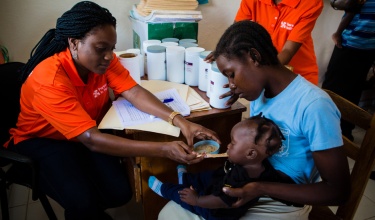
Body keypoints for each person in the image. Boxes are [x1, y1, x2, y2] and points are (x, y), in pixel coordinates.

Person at [2, 2, 219, 220]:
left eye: (111, 48)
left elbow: (133, 92)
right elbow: (92, 139)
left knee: (119, 191)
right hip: (42, 139)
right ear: (75, 43)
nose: (109, 56)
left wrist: (181, 121)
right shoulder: (50, 80)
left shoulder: (102, 62)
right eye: (101, 48)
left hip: (82, 134)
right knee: (82, 202)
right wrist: (164, 149)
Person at [159, 20, 350, 220]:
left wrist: (259, 188)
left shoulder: (314, 106)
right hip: (250, 183)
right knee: (168, 213)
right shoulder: (261, 92)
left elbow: (338, 192)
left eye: (232, 75)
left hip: (284, 202)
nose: (231, 85)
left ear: (254, 57)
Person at [149, 113, 302, 220]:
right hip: (220, 180)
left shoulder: (238, 180)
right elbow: (283, 187)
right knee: (207, 175)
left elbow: (220, 200)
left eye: (233, 143)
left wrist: (197, 200)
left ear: (250, 154)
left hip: (216, 211)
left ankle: (165, 190)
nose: (228, 145)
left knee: (184, 196)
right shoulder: (265, 168)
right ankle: (186, 178)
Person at [206, 0, 323, 85]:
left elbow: (288, 51)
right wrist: (224, 51)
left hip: (298, 76)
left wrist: (257, 78)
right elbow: (237, 32)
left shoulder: (311, 3)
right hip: (263, 72)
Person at [322, 0, 375, 141]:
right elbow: (345, 5)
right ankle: (323, 129)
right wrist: (338, 33)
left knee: (354, 91)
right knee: (332, 90)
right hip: (347, 44)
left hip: (369, 48)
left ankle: (345, 132)